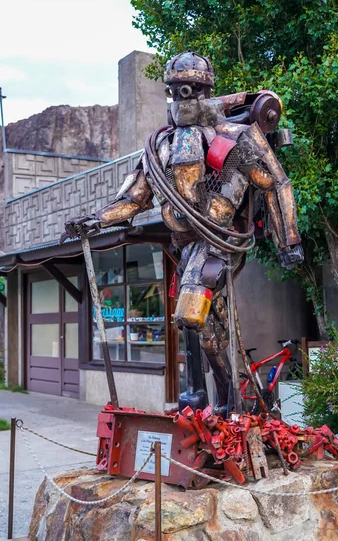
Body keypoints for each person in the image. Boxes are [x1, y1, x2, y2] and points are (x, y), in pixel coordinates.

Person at [63, 51, 304, 417]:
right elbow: (133, 200)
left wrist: (290, 240)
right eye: (176, 91)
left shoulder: (235, 138)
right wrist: (95, 220)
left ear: (205, 91)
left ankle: (220, 398)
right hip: (188, 245)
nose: (183, 99)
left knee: (192, 311)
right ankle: (226, 398)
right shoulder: (159, 146)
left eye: (190, 91)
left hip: (219, 240)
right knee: (206, 329)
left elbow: (276, 184)